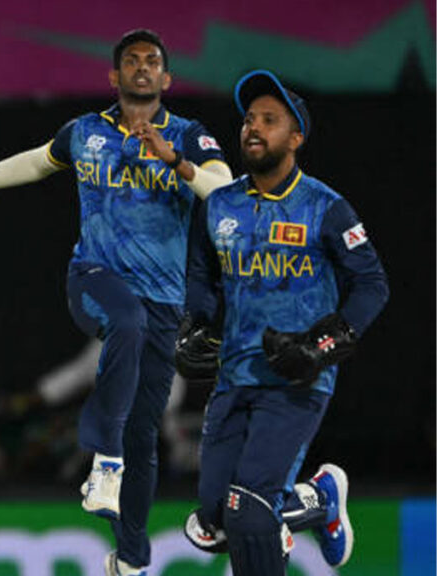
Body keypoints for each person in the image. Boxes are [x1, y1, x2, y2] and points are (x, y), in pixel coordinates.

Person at [0, 29, 233, 575]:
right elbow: (36, 162)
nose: (141, 67)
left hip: (164, 302)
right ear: (113, 76)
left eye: (151, 61)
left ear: (166, 78)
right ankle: (104, 461)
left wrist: (176, 162)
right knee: (126, 323)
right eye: (130, 60)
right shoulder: (85, 131)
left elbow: (225, 195)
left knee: (144, 433)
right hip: (94, 280)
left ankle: (130, 559)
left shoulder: (189, 135)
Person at [178, 70, 388, 574]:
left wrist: (322, 345)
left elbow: (372, 285)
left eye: (269, 120)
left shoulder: (325, 207)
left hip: (296, 379)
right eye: (249, 119)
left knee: (249, 511)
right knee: (213, 520)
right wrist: (197, 325)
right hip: (234, 375)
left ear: (295, 138)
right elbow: (201, 275)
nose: (253, 127)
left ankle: (286, 509)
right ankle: (319, 499)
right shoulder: (220, 204)